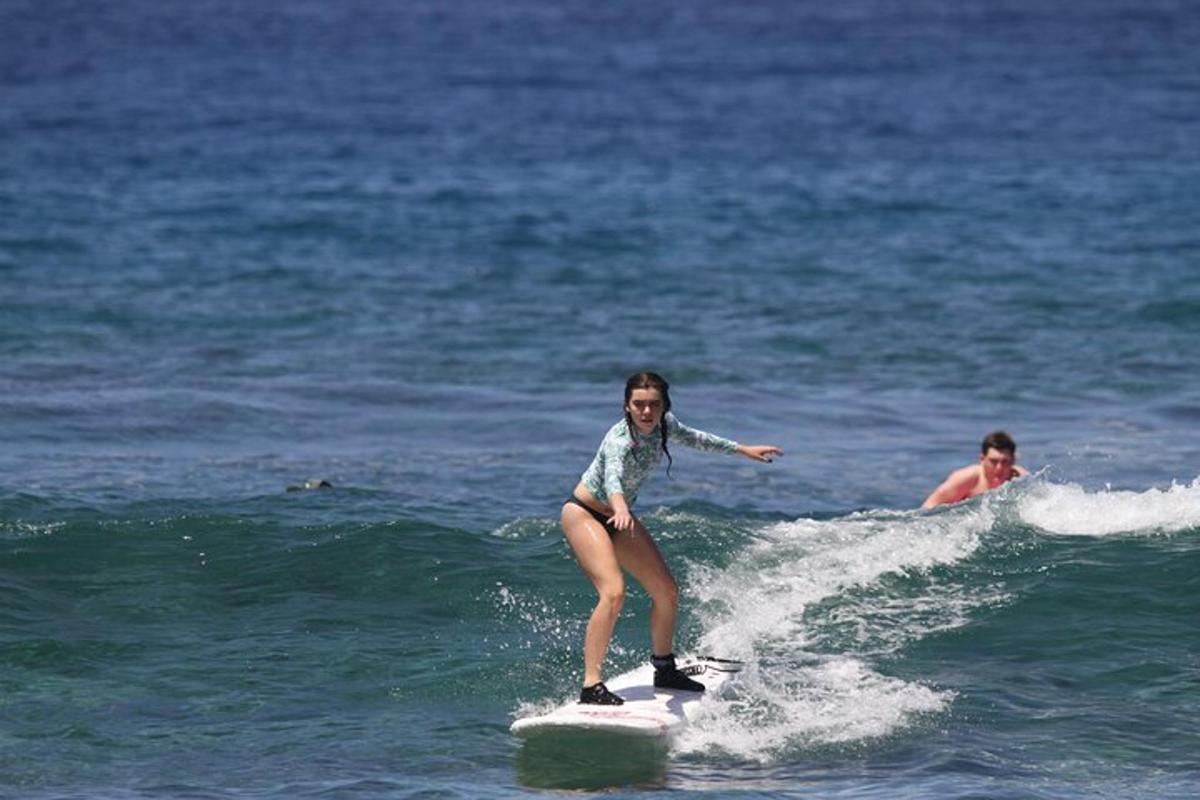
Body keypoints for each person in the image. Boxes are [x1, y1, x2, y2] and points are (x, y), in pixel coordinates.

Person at [561, 371, 783, 705]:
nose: (646, 412)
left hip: (619, 517)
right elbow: (613, 479)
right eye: (639, 405)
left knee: (666, 590)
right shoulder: (619, 440)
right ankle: (591, 685)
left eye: (654, 405)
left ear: (664, 406)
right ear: (627, 406)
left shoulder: (666, 425)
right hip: (584, 514)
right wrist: (619, 507)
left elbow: (696, 438)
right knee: (613, 593)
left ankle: (664, 668)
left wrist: (742, 449)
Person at [921, 430, 1029, 509]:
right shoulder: (966, 478)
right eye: (993, 461)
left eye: (1005, 462)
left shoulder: (1021, 479)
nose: (999, 468)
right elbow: (929, 507)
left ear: (1013, 461)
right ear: (982, 459)